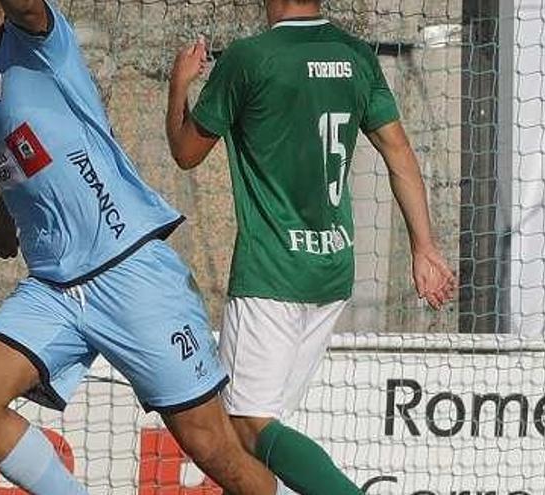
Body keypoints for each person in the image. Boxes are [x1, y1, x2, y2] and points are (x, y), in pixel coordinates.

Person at [0, 0, 294, 493]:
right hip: (54, 285)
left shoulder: (39, 36)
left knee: (213, 447)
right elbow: (17, 146)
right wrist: (5, 221)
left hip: (128, 268)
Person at [167, 0, 457, 493]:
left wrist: (178, 87)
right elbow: (397, 150)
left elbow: (185, 152)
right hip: (331, 270)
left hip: (272, 271)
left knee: (245, 424)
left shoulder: (249, 58)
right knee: (261, 431)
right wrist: (423, 247)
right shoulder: (355, 55)